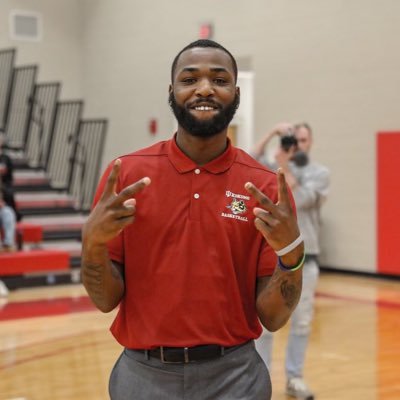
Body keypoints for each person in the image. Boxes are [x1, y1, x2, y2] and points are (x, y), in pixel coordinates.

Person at [81, 40, 306, 400]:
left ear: (236, 92)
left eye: (219, 79)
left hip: (236, 378)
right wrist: (92, 245)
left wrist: (292, 255)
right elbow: (105, 299)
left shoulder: (264, 187)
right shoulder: (127, 176)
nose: (204, 88)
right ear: (172, 92)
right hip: (143, 376)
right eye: (190, 79)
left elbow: (273, 318)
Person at [253, 123, 330, 400]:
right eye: (292, 140)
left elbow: (303, 198)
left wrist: (285, 169)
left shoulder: (319, 174)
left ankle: (294, 378)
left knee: (301, 323)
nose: (297, 145)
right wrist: (272, 132)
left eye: (303, 140)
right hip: (269, 261)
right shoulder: (271, 168)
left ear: (310, 143)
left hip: (306, 260)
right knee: (264, 325)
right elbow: (250, 157)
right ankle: (260, 380)